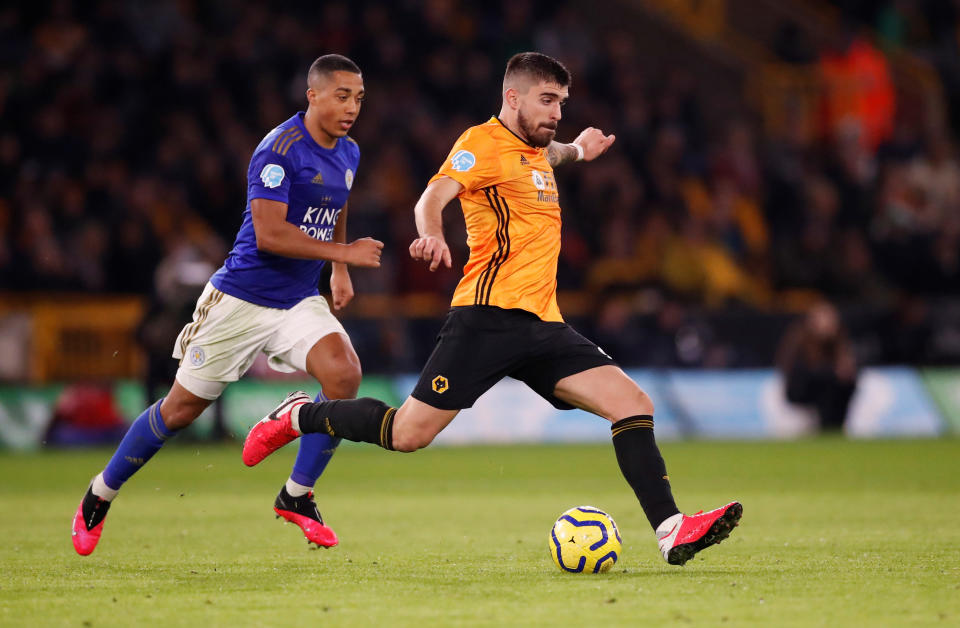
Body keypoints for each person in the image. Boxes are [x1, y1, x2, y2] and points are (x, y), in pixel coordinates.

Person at [243, 52, 741, 566]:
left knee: (633, 403)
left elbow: (550, 157)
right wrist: (431, 235)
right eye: (546, 101)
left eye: (561, 104)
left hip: (544, 324)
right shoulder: (481, 144)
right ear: (512, 97)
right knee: (408, 433)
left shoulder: (537, 152)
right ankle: (301, 415)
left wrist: (580, 150)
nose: (555, 113)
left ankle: (671, 530)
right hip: (486, 318)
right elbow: (431, 198)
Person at [71, 54, 385, 556]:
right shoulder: (279, 150)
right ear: (314, 95)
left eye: (359, 98)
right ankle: (99, 493)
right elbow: (270, 235)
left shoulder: (348, 152)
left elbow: (338, 202)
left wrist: (339, 269)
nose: (352, 108)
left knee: (344, 376)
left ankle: (297, 495)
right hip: (241, 299)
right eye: (342, 96)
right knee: (180, 410)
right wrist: (342, 254)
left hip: (297, 300)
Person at [777, 301, 858, 432]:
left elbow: (847, 367)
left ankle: (837, 425)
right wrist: (831, 372)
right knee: (827, 381)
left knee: (844, 383)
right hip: (802, 389)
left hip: (829, 389)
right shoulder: (800, 339)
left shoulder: (839, 341)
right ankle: (826, 426)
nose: (827, 323)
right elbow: (797, 372)